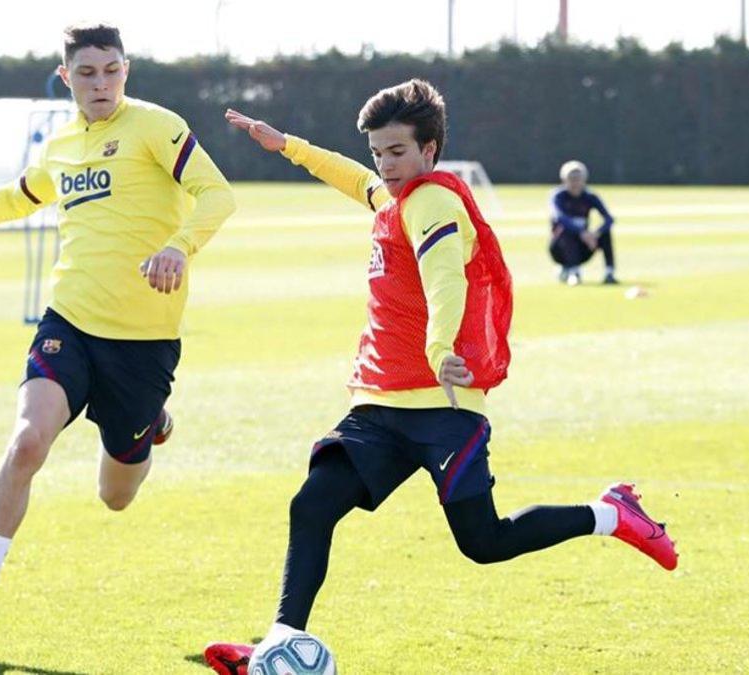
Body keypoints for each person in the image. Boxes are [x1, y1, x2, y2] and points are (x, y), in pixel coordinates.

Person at [204, 80, 675, 674]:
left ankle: (610, 513)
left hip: (441, 407)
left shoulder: (432, 203)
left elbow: (445, 279)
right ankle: (278, 647)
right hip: (378, 404)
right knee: (313, 504)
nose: (385, 164)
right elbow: (357, 180)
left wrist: (438, 346)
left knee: (484, 543)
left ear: (430, 150)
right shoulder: (393, 196)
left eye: (397, 151)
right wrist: (287, 146)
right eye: (378, 151)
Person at [0, 23, 236, 648]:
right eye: (86, 73)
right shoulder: (60, 145)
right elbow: (14, 199)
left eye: (110, 70)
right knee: (28, 441)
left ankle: (149, 423)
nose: (100, 83)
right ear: (66, 77)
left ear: (126, 71)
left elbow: (217, 194)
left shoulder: (157, 126)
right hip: (69, 324)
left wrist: (178, 247)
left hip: (142, 344)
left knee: (115, 496)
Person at [550, 160, 618, 285]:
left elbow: (609, 219)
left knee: (606, 233)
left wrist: (596, 234)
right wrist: (581, 232)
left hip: (584, 247)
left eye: (578, 178)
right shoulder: (558, 196)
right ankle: (574, 272)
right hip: (560, 249)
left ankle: (610, 273)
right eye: (571, 178)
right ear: (564, 180)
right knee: (566, 231)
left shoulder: (590, 196)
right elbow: (559, 217)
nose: (575, 182)